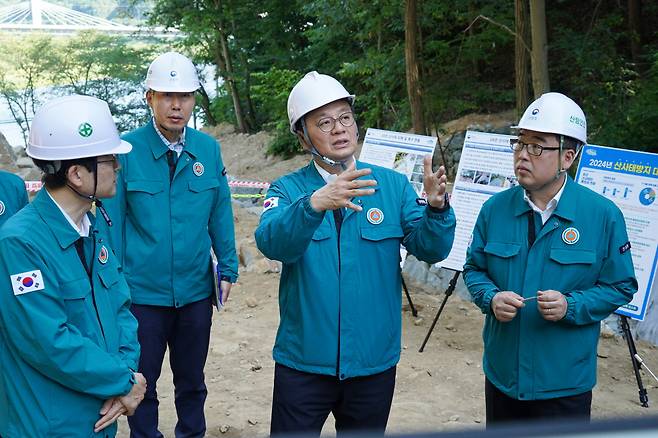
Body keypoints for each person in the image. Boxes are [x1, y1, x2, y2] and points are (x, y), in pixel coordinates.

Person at [254, 71, 456, 436]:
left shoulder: (392, 185)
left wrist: (438, 210)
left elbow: (430, 248)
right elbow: (271, 241)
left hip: (372, 363)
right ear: (302, 137)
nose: (339, 129)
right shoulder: (286, 189)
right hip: (304, 363)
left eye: (345, 117)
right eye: (324, 122)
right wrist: (313, 205)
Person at [463, 92, 637, 425]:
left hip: (563, 385)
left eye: (537, 147)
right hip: (503, 379)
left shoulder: (602, 216)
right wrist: (490, 297)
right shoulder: (494, 210)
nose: (523, 155)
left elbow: (620, 285)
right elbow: (475, 269)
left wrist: (571, 306)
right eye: (520, 143)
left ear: (568, 157)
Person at [104, 51, 238, 438]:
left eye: (185, 96)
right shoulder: (125, 151)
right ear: (150, 97)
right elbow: (111, 225)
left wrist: (227, 267)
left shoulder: (208, 150)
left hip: (196, 292)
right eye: (166, 95)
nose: (176, 105)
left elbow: (220, 212)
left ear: (195, 99)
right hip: (142, 294)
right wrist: (115, 284)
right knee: (142, 385)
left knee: (192, 383)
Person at [0, 95, 147, 437]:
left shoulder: (91, 226)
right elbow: (48, 341)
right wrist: (123, 381)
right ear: (78, 174)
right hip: (51, 425)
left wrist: (127, 376)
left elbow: (121, 307)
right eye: (110, 160)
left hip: (98, 413)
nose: (118, 168)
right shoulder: (20, 243)